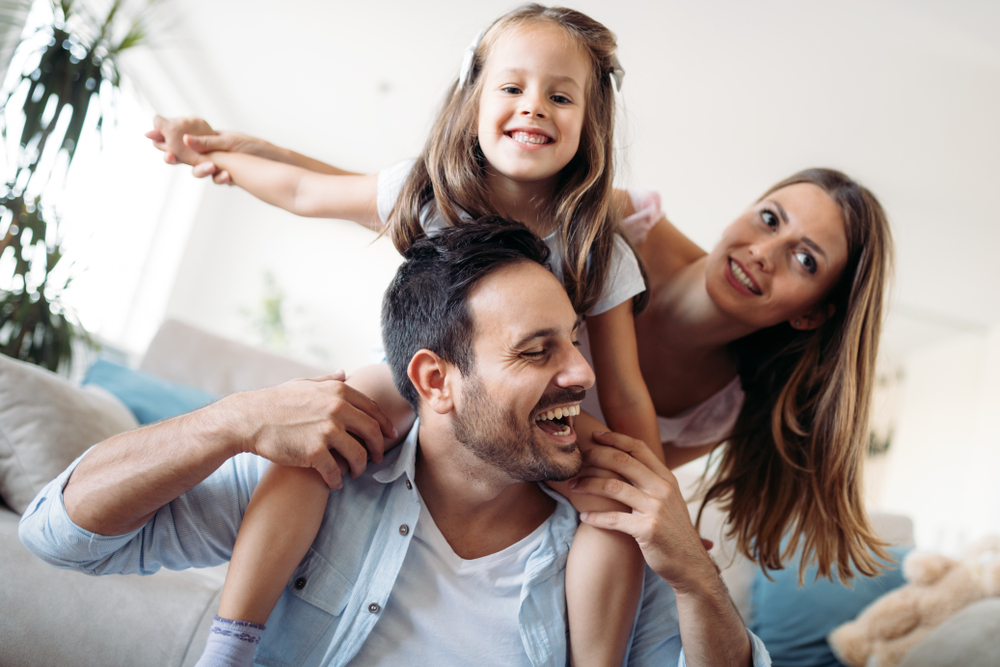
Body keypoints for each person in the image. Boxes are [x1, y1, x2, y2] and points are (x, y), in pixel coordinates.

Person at [147, 5, 657, 666]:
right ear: (474, 100)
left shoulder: (596, 246)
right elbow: (303, 189)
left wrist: (657, 501)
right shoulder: (429, 192)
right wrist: (219, 156)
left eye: (561, 97)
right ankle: (230, 642)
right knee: (318, 434)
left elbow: (625, 388)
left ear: (590, 123)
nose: (534, 106)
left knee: (618, 507)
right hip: (406, 375)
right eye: (512, 87)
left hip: (523, 407)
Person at [19, 220, 770, 667]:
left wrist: (696, 580)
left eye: (575, 341)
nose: (583, 372)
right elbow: (59, 535)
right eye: (538, 351)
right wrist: (232, 419)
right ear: (435, 380)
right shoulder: (324, 481)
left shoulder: (611, 547)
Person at [606, 169, 894, 582]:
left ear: (811, 314)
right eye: (770, 219)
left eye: (805, 260)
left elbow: (617, 487)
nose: (763, 252)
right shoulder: (622, 219)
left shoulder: (721, 408)